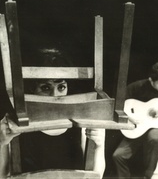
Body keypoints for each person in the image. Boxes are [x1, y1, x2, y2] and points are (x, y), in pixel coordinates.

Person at [0, 47, 105, 179]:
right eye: (45, 87)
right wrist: (1, 143)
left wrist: (99, 146)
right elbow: (3, 176)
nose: (55, 96)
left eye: (61, 87)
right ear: (32, 89)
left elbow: (97, 175)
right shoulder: (13, 124)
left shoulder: (83, 120)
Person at [112, 61, 158, 179]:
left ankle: (147, 176)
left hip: (155, 129)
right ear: (150, 80)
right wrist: (129, 117)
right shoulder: (136, 87)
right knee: (118, 155)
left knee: (155, 138)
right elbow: (119, 105)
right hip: (136, 128)